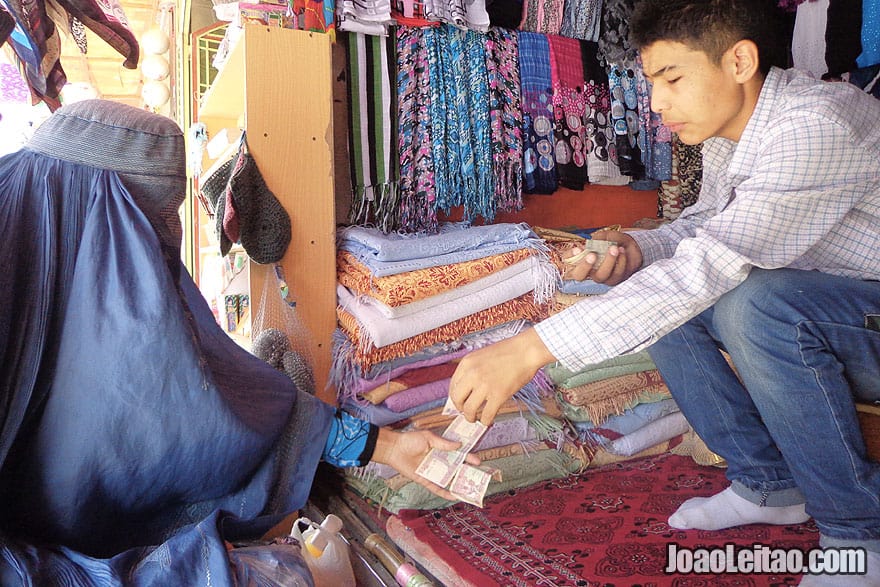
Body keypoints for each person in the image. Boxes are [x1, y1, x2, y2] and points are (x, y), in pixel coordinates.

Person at [450, 0, 880, 584]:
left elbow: (712, 263)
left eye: (672, 78)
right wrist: (636, 250)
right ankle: (768, 486)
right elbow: (702, 230)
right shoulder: (739, 131)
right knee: (671, 285)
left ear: (739, 61)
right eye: (651, 82)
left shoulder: (815, 127)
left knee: (753, 304)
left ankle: (859, 533)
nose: (654, 103)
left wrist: (530, 349)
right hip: (849, 311)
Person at [0, 99, 476, 585]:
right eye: (151, 220)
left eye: (172, 215)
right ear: (107, 219)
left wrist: (386, 446)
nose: (170, 236)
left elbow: (213, 411)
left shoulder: (80, 287)